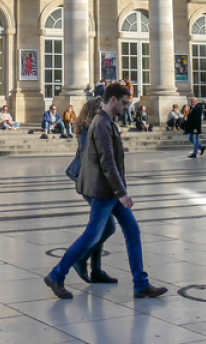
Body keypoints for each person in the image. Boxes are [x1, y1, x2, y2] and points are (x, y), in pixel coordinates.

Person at [44, 83, 166, 300]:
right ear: (112, 100)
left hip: (110, 190)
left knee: (132, 231)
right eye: (124, 102)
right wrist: (122, 193)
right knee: (92, 234)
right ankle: (56, 274)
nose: (126, 107)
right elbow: (107, 162)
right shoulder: (101, 124)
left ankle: (141, 284)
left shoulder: (106, 122)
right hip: (104, 191)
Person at [68, 98, 118, 286]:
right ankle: (81, 259)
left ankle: (96, 270)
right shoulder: (92, 130)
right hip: (94, 184)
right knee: (106, 227)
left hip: (93, 183)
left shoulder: (90, 128)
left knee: (102, 226)